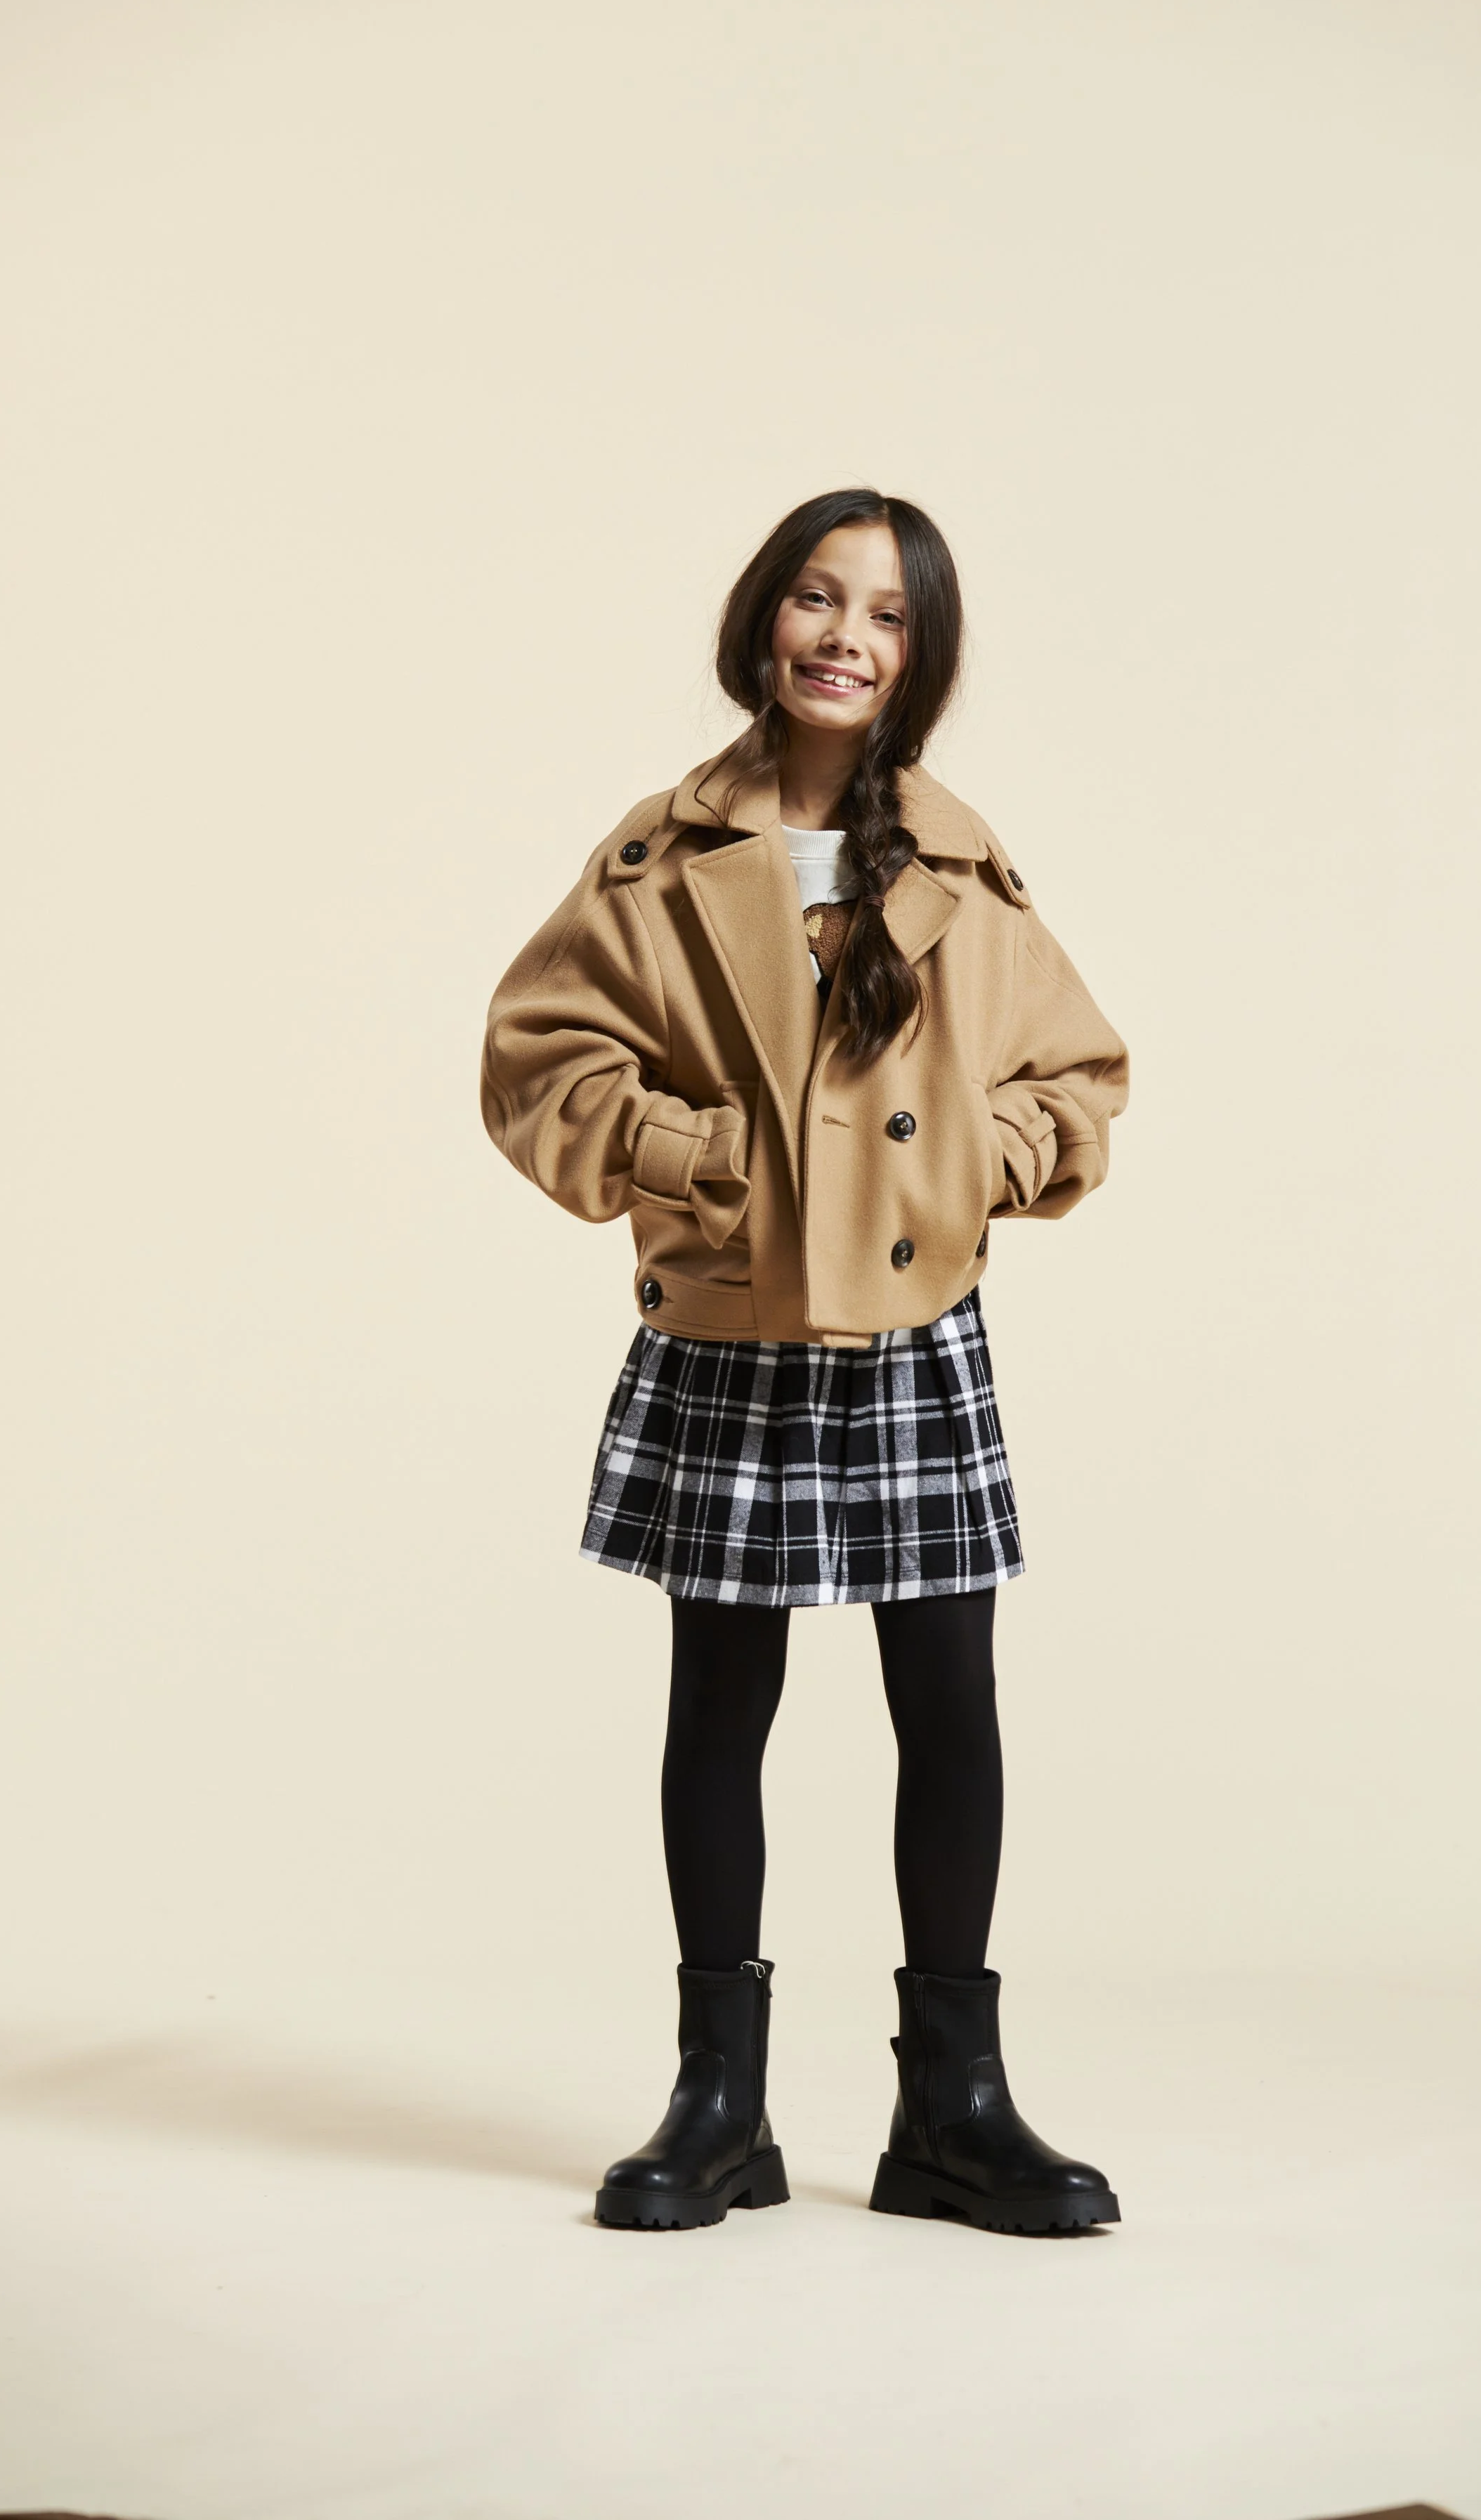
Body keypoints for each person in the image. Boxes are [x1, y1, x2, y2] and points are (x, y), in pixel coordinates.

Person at [481, 489, 1130, 2235]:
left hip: (914, 1329)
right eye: (816, 599)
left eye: (889, 615)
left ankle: (954, 2108)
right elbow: (537, 1067)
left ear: (920, 658)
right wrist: (707, 1172)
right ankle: (719, 2104)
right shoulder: (656, 855)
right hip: (737, 1324)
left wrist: (960, 1168)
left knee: (951, 1708)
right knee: (721, 1705)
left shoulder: (966, 863)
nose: (846, 635)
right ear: (763, 620)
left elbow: (1071, 1081)